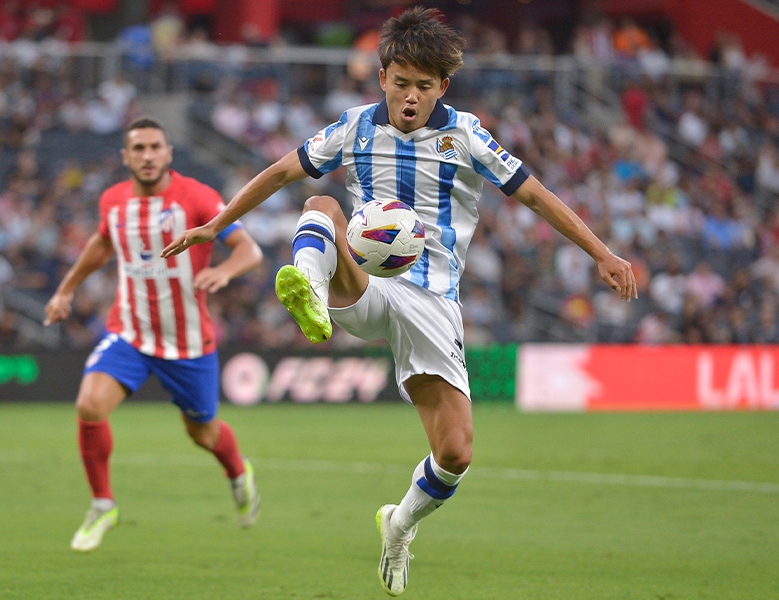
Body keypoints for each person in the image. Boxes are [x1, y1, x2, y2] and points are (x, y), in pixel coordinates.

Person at [162, 7, 637, 596]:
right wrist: (218, 224)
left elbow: (535, 196)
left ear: (443, 87)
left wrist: (601, 252)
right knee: (321, 206)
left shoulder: (466, 135)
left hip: (433, 300)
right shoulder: (355, 127)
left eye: (424, 86)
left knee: (455, 453)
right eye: (402, 82)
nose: (411, 96)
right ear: (383, 76)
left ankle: (400, 523)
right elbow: (282, 172)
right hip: (367, 283)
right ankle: (312, 289)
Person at [44, 116, 263, 553]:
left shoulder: (197, 197)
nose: (147, 156)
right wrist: (66, 289)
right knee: (89, 405)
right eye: (139, 149)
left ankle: (239, 472)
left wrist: (223, 271)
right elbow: (102, 244)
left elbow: (249, 250)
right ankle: (102, 504)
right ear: (126, 157)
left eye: (155, 147)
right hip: (130, 331)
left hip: (187, 343)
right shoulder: (113, 200)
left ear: (168, 153)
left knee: (202, 433)